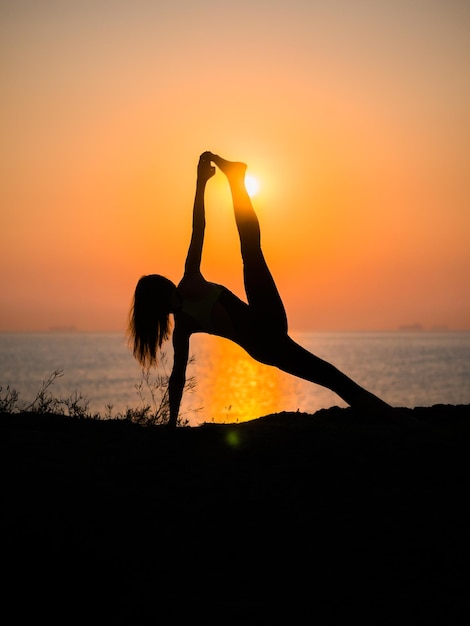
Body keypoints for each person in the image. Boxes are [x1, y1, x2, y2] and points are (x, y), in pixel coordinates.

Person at [129, 151, 401, 427]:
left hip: (264, 335)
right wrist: (172, 425)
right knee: (332, 377)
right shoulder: (186, 304)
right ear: (160, 296)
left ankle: (397, 421)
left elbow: (198, 226)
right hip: (267, 335)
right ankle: (398, 422)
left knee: (332, 378)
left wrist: (201, 184)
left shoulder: (186, 306)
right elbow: (178, 376)